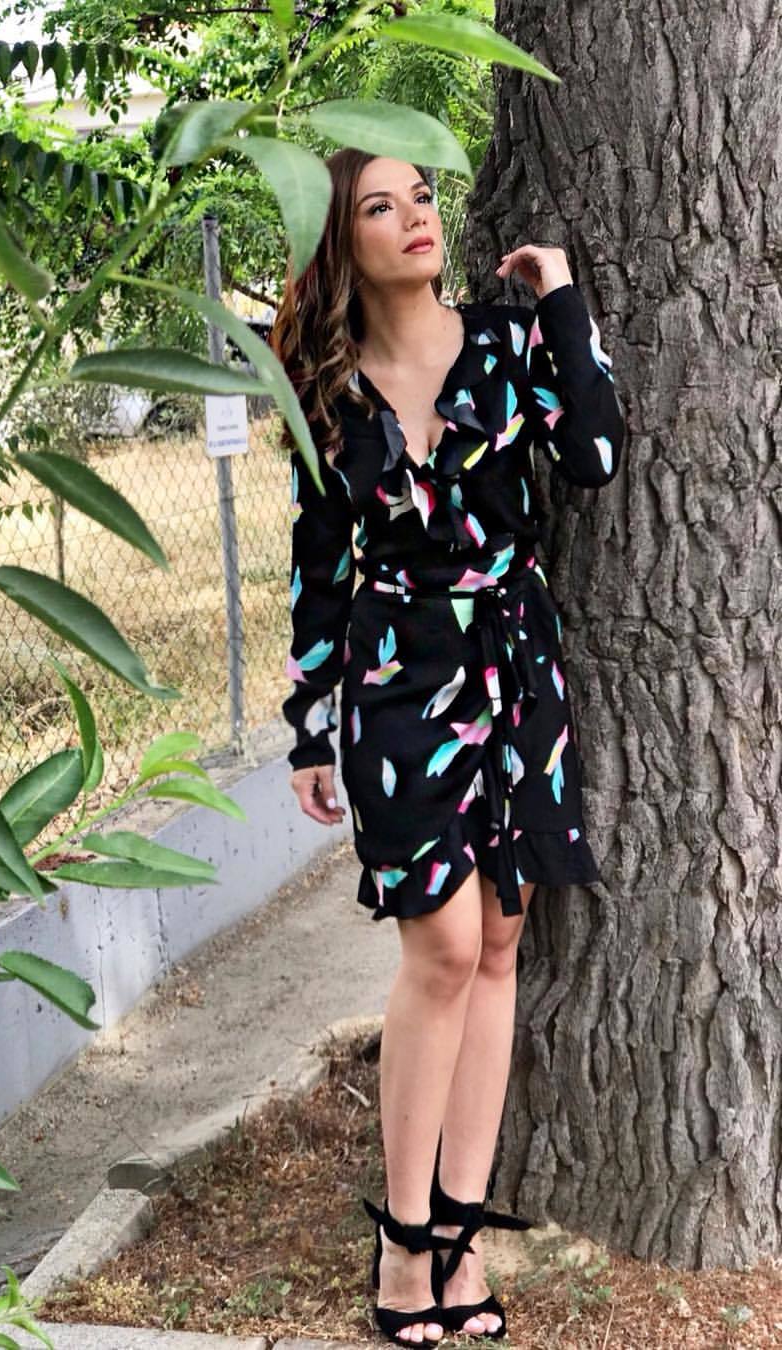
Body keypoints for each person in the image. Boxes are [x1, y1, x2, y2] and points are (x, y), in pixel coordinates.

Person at [271, 149, 625, 1344]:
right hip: (395, 681)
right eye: (382, 206)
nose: (416, 216)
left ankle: (462, 1240)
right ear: (344, 242)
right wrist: (307, 728)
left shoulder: (509, 342)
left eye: (422, 195)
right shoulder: (326, 391)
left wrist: (561, 300)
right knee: (443, 948)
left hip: (516, 669)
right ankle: (403, 1237)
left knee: (501, 943)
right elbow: (320, 565)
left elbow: (595, 457)